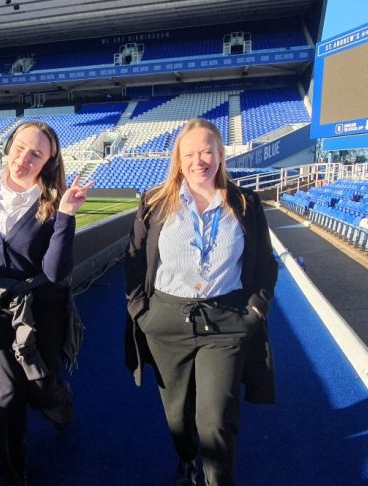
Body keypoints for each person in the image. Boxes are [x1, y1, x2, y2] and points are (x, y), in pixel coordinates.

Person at [124, 118, 279, 486]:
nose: (199, 160)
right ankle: (186, 459)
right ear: (178, 158)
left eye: (207, 151)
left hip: (225, 324)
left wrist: (255, 309)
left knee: (216, 420)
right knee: (178, 419)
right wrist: (140, 311)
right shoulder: (154, 202)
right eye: (189, 153)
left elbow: (265, 264)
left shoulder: (245, 202)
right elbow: (132, 259)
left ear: (221, 154)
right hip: (165, 323)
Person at [0, 120, 93, 486]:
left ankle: (60, 403)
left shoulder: (54, 201)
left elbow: (56, 270)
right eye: (20, 147)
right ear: (9, 146)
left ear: (47, 161)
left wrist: (66, 216)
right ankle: (13, 477)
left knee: (40, 387)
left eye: (36, 154)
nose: (24, 158)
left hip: (42, 310)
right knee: (3, 398)